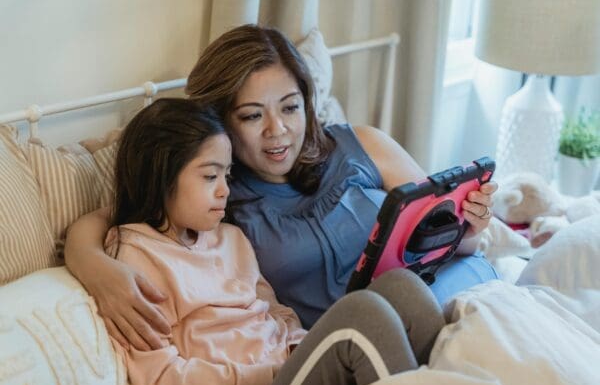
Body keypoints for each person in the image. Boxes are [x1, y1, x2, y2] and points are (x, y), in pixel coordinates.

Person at [65, 24, 497, 351]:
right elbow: (112, 216)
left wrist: (470, 230)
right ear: (221, 121)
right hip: (361, 341)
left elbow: (444, 235)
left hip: (452, 292)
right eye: (253, 116)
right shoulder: (215, 197)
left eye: (290, 108)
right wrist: (93, 265)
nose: (279, 131)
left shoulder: (361, 143)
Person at [105, 97, 445, 385]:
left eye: (227, 176)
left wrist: (303, 351)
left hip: (289, 372)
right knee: (362, 314)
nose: (225, 190)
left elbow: (277, 314)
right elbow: (163, 382)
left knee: (402, 287)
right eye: (210, 177)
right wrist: (273, 373)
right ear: (160, 177)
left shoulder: (231, 239)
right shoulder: (137, 257)